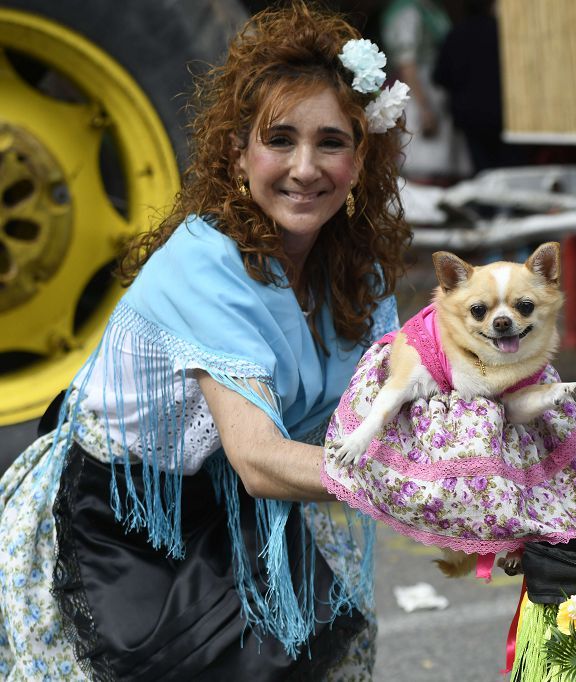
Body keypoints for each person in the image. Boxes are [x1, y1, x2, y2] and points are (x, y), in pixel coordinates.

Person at [0, 3, 411, 679]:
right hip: (123, 519)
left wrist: (498, 493)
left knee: (326, 649)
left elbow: (398, 414)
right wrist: (425, 487)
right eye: (279, 140)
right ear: (236, 152)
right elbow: (258, 458)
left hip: (234, 504)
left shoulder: (358, 276)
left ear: (361, 158)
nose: (305, 168)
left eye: (331, 142)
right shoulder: (205, 263)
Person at [379, 0, 471, 183]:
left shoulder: (430, 9)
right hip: (419, 91)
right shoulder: (406, 12)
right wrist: (425, 108)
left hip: (435, 91)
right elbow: (407, 63)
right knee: (423, 161)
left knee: (442, 163)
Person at [433, 0, 527, 174]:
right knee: (513, 171)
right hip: (507, 114)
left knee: (483, 172)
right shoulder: (504, 32)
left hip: (471, 117)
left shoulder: (456, 33)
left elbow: (440, 77)